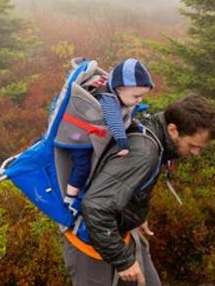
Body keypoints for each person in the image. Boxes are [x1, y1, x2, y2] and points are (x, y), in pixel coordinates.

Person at [0, 93, 215, 286]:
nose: (196, 153)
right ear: (174, 129)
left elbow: (117, 184)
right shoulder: (145, 151)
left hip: (118, 229)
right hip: (89, 238)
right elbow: (96, 208)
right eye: (194, 146)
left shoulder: (154, 131)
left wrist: (135, 214)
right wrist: (123, 261)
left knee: (144, 285)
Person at [65, 58, 154, 200]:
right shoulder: (108, 99)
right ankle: (70, 197)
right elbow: (114, 121)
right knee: (82, 167)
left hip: (91, 131)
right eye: (136, 96)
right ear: (119, 89)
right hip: (79, 136)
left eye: (142, 96)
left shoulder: (115, 89)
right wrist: (122, 143)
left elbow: (126, 109)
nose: (140, 99)